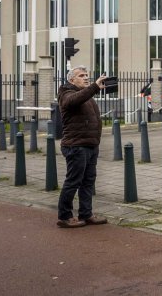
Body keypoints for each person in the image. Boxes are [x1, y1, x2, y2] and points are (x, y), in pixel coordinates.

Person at [56, 66, 108, 228]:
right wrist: (93, 87)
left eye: (87, 75)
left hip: (90, 145)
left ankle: (86, 213)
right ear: (72, 80)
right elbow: (73, 101)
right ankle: (64, 216)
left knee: (88, 182)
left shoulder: (86, 94)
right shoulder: (66, 93)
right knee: (73, 181)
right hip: (76, 146)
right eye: (81, 76)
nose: (86, 78)